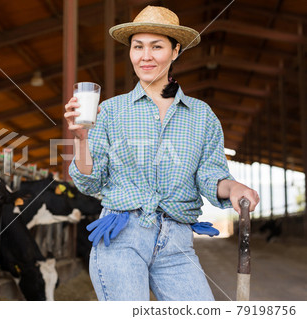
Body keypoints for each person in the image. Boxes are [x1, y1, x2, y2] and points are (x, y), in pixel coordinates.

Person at [64, 6, 259, 301]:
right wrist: (81, 139)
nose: (146, 56)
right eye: (138, 46)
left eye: (157, 46)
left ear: (175, 51)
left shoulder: (201, 116)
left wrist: (235, 186)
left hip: (178, 243)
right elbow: (91, 182)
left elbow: (212, 176)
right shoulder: (110, 112)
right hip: (121, 237)